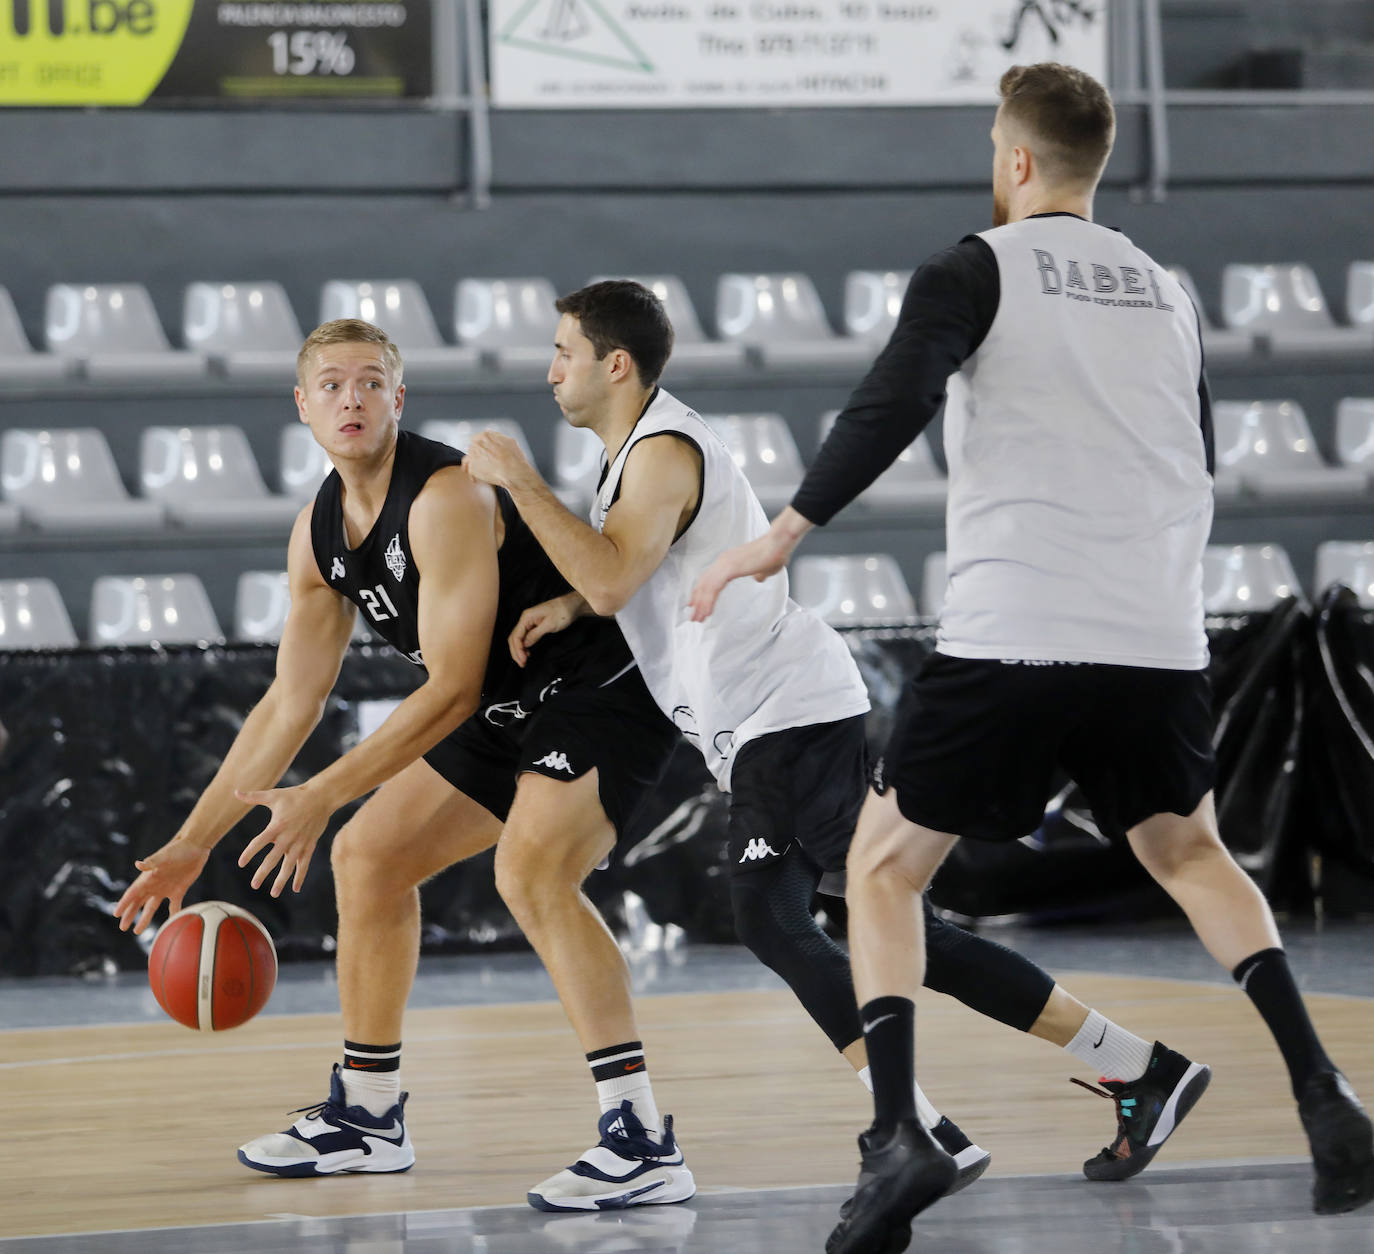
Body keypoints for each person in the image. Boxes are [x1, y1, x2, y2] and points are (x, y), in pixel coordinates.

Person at [689, 62, 1374, 1251]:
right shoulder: (1168, 292)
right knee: (1189, 850)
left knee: (885, 870)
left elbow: (893, 396)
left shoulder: (976, 264)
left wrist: (786, 532)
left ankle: (897, 1135)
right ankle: (1326, 1094)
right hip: (1156, 636)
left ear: (1013, 161)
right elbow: (1200, 464)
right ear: (1094, 162)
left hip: (1017, 630)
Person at [462, 278, 1212, 1201]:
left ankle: (923, 1125)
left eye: (563, 353)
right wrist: (571, 597)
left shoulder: (659, 452)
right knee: (883, 927)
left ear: (615, 365)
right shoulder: (637, 452)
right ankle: (1127, 1072)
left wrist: (522, 483)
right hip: (776, 716)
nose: (551, 371)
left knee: (783, 919)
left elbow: (619, 579)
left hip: (789, 710)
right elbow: (635, 572)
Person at [112, 318, 694, 1213]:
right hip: (507, 704)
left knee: (532, 872)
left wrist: (320, 794)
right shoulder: (316, 536)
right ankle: (369, 1116)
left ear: (398, 398)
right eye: (332, 385)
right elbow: (288, 703)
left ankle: (641, 1136)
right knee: (369, 858)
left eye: (370, 382)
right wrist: (196, 843)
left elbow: (453, 688)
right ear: (302, 407)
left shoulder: (446, 494)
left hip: (597, 685)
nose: (352, 398)